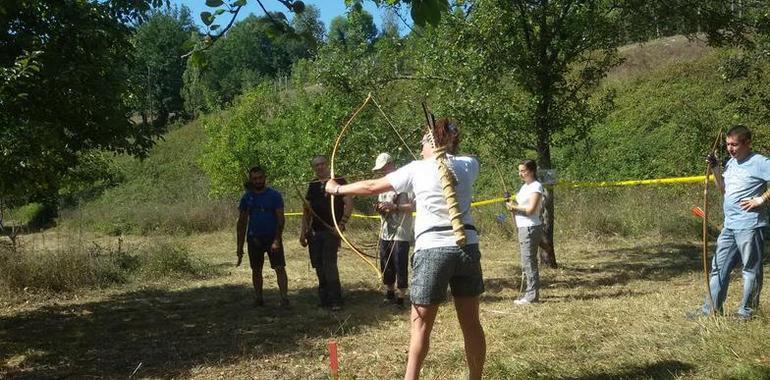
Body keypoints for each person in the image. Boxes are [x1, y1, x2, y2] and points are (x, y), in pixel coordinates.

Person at [324, 119, 485, 380]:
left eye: (423, 141)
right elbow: (470, 157)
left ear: (431, 143)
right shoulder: (468, 165)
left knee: (420, 328)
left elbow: (371, 186)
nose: (420, 147)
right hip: (467, 248)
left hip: (433, 250)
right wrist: (450, 141)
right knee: (471, 324)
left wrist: (337, 188)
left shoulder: (417, 169)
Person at [695, 125, 770, 320]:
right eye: (728, 144)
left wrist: (761, 199)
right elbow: (723, 189)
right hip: (730, 225)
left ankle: (747, 312)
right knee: (719, 267)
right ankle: (710, 309)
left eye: (734, 144)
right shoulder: (731, 163)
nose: (730, 148)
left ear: (747, 143)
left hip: (751, 225)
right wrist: (715, 167)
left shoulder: (759, 162)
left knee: (750, 269)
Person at [300, 155, 352, 311]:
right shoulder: (313, 185)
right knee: (318, 265)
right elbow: (306, 210)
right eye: (316, 165)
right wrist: (303, 231)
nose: (320, 167)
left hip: (331, 231)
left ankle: (336, 299)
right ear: (313, 168)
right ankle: (325, 299)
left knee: (329, 264)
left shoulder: (339, 181)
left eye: (322, 164)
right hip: (315, 232)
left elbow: (348, 202)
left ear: (327, 164)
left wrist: (341, 224)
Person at [236, 166, 288, 307]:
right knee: (256, 269)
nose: (258, 181)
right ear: (251, 180)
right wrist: (239, 247)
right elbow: (241, 223)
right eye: (254, 178)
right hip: (254, 239)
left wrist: (277, 239)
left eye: (260, 178)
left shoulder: (274, 196)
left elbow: (281, 219)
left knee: (279, 268)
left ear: (264, 178)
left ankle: (284, 298)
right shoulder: (247, 198)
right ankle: (259, 298)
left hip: (272, 237)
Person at [372, 152, 415, 308]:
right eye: (380, 169)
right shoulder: (383, 184)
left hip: (401, 232)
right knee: (386, 263)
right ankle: (389, 293)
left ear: (391, 164)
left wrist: (395, 207)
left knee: (399, 262)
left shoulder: (406, 182)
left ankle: (401, 298)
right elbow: (382, 204)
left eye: (384, 167)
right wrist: (380, 208)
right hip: (385, 231)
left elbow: (414, 206)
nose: (382, 171)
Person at [506, 159, 545, 305]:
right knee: (526, 261)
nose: (520, 174)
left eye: (523, 171)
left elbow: (530, 209)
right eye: (519, 171)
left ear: (532, 171)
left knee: (529, 261)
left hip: (530, 227)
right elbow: (521, 206)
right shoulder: (524, 187)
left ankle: (532, 296)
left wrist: (515, 208)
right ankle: (530, 292)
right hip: (523, 227)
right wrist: (511, 204)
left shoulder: (536, 186)